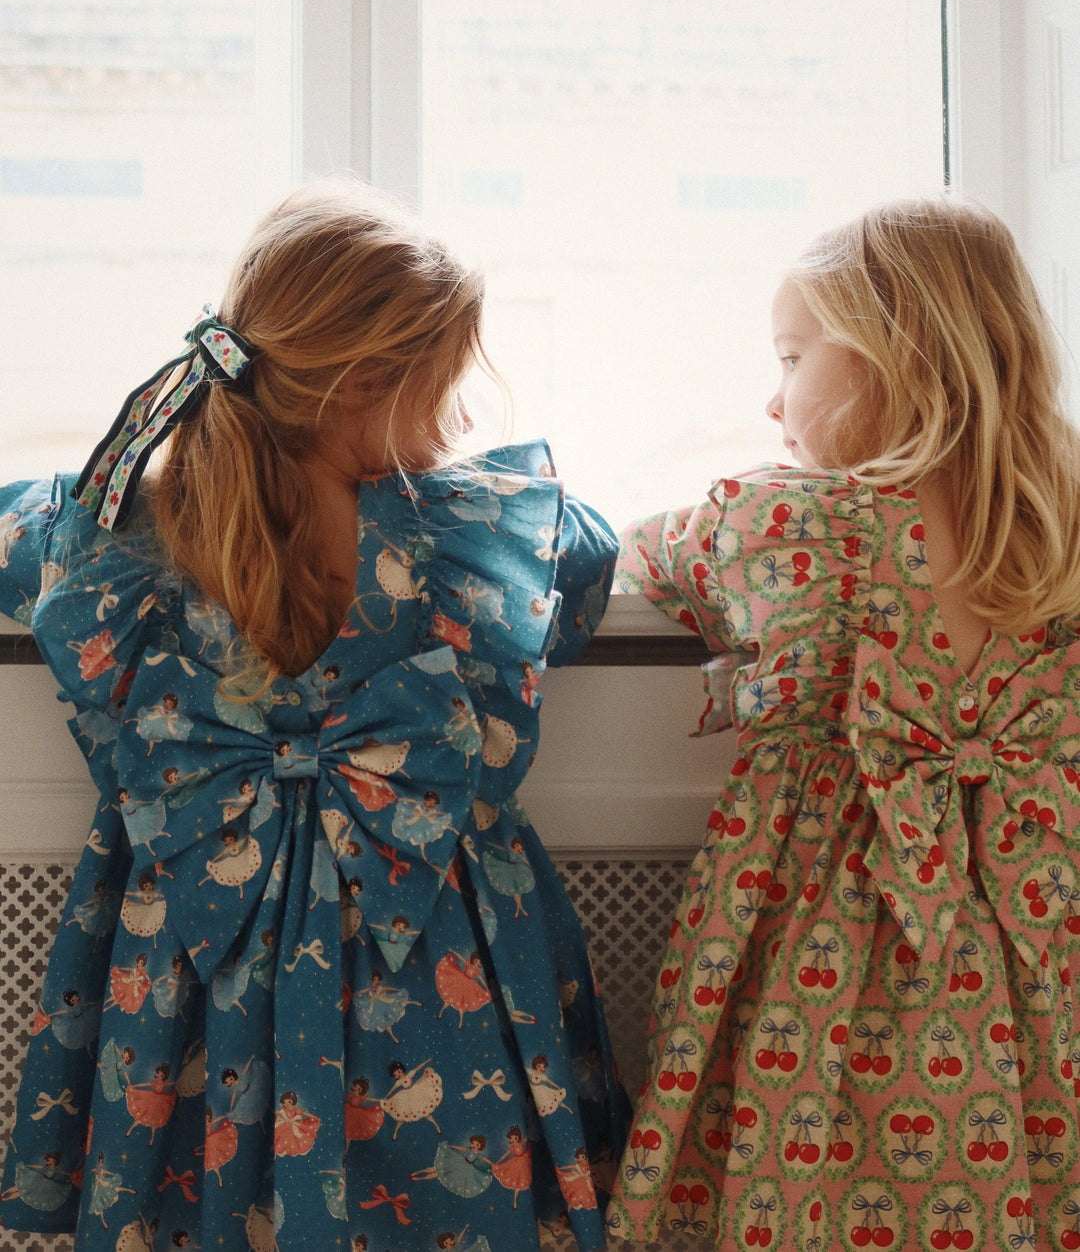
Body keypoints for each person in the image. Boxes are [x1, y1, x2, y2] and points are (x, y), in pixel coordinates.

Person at [0, 180, 629, 1252]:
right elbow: (585, 563)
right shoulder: (477, 536)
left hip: (192, 972)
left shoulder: (111, 539)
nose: (463, 421)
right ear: (369, 381)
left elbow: (21, 543)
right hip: (440, 973)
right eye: (445, 386)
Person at [605, 198, 1080, 1250]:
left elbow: (631, 557)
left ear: (890, 358)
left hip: (827, 948)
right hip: (1045, 936)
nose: (774, 404)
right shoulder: (1066, 534)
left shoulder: (788, 526)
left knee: (806, 1163)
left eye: (790, 359)